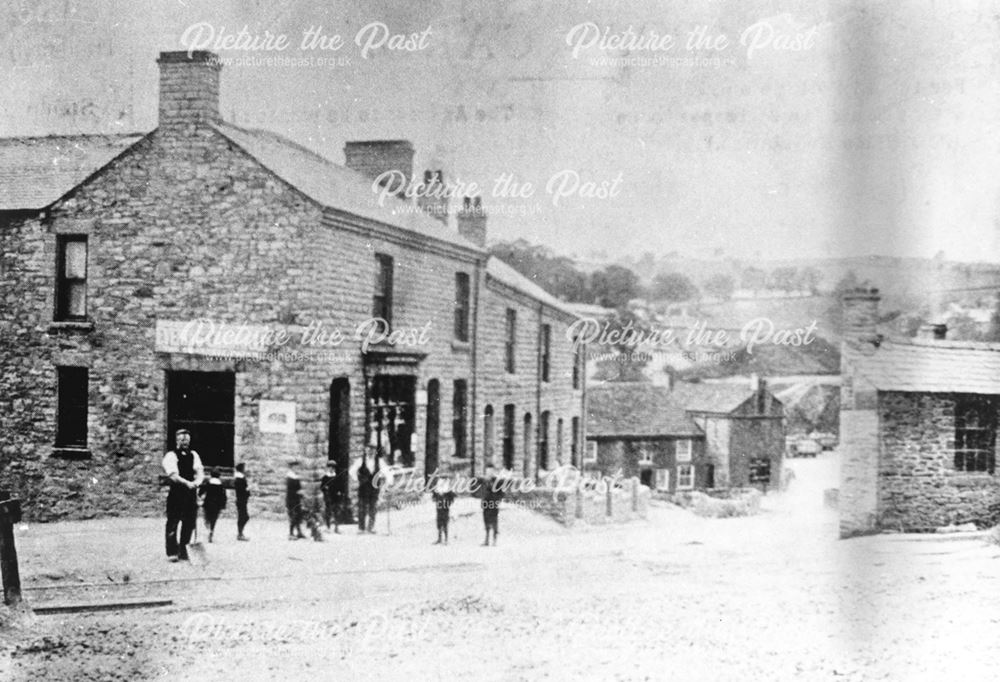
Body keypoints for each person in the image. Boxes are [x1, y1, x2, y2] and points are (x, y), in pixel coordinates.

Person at [163, 428, 204, 562]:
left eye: (186, 440)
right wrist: (187, 483)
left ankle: (184, 550)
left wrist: (198, 482)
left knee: (189, 522)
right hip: (177, 493)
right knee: (173, 522)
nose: (184, 442)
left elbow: (199, 471)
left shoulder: (194, 455)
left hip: (190, 494)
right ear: (177, 441)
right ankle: (172, 552)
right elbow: (173, 475)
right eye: (181, 440)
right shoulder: (171, 455)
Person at [198, 467, 227, 543]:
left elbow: (201, 491)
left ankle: (208, 529)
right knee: (214, 518)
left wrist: (200, 496)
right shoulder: (221, 485)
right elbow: (223, 496)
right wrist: (223, 505)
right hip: (217, 504)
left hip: (208, 503)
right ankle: (212, 530)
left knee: (207, 517)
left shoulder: (208, 483)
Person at [480, 469, 503, 547]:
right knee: (486, 522)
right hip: (486, 506)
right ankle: (486, 540)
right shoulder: (485, 483)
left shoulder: (497, 484)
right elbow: (483, 493)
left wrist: (497, 501)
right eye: (487, 473)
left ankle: (494, 540)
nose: (488, 474)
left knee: (494, 523)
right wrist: (482, 502)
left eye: (490, 472)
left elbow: (501, 494)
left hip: (493, 506)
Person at [356, 452, 379, 534]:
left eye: (372, 449)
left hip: (374, 488)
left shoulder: (379, 461)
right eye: (369, 449)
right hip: (363, 488)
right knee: (362, 507)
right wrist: (359, 479)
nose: (370, 451)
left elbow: (387, 472)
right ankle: (361, 528)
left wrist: (388, 482)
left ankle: (371, 527)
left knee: (373, 507)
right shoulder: (360, 461)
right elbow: (352, 471)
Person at [431, 478, 456, 545]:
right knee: (439, 524)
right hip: (439, 509)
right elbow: (433, 497)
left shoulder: (448, 493)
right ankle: (439, 539)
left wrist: (448, 502)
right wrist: (436, 498)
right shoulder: (437, 492)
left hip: (445, 510)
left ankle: (446, 539)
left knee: (445, 524)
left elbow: (452, 498)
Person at [285, 461, 306, 540]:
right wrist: (297, 492)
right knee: (293, 516)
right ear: (292, 468)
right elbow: (290, 490)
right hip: (291, 499)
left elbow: (298, 488)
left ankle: (299, 532)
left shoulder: (296, 476)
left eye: (297, 467)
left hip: (297, 499)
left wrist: (301, 494)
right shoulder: (289, 477)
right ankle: (291, 533)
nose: (297, 469)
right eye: (295, 467)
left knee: (298, 516)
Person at [320, 463, 342, 534]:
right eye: (330, 467)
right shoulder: (325, 477)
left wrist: (340, 491)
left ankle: (336, 527)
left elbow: (341, 486)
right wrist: (325, 489)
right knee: (328, 512)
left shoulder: (337, 477)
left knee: (336, 511)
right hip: (328, 497)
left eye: (333, 467)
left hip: (336, 496)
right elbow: (322, 487)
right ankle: (328, 527)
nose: (331, 469)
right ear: (327, 468)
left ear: (334, 469)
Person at [233, 462, 250, 541]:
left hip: (242, 500)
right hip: (241, 500)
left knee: (243, 516)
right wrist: (247, 490)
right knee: (244, 516)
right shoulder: (240, 479)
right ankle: (240, 533)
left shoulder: (241, 478)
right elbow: (241, 490)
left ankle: (240, 533)